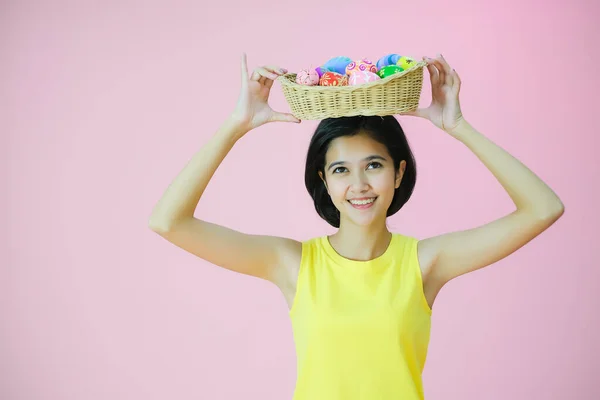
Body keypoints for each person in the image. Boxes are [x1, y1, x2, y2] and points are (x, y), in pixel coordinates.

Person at [148, 53, 565, 400]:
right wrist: (236, 125)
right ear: (323, 181)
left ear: (399, 173)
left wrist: (458, 127)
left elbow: (543, 208)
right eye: (342, 170)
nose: (360, 185)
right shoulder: (293, 263)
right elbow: (168, 221)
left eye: (375, 165)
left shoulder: (425, 263)